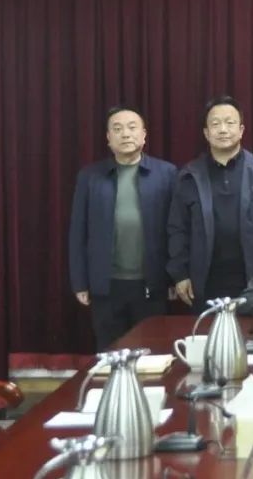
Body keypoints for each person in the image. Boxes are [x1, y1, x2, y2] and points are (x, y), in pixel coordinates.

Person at [69, 105, 177, 350]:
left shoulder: (167, 173)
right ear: (108, 138)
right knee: (110, 353)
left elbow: (175, 229)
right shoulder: (90, 177)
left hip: (152, 283)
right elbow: (78, 232)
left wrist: (174, 277)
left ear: (144, 135)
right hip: (106, 284)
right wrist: (80, 281)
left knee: (152, 353)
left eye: (131, 127)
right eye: (117, 129)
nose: (125, 134)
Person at [167, 95, 253, 313]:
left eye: (230, 123)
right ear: (206, 133)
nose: (223, 129)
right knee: (208, 334)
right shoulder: (189, 175)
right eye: (215, 124)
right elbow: (178, 228)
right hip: (204, 278)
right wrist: (180, 274)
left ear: (241, 130)